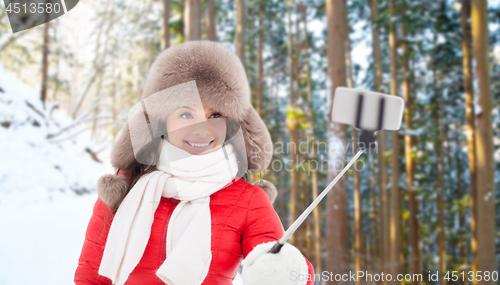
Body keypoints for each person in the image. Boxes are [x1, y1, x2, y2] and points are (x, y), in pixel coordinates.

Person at [74, 41, 315, 285]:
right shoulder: (125, 188)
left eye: (216, 115)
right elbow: (90, 277)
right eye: (186, 114)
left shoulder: (248, 201)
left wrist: (281, 268)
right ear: (162, 120)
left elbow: (289, 272)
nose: (203, 130)